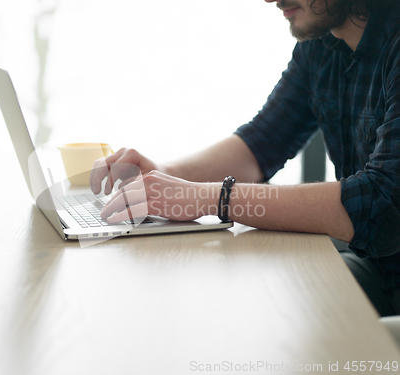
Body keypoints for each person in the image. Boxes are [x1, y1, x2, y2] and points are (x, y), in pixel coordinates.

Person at [89, 0, 400, 317]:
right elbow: (262, 142)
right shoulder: (322, 46)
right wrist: (165, 174)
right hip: (377, 273)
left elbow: (382, 206)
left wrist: (213, 197)